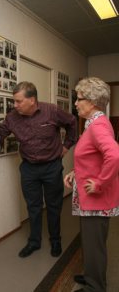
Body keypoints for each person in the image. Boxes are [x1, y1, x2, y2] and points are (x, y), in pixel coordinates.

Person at [0, 81, 77, 258]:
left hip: (52, 166)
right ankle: (34, 242)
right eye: (14, 101)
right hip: (29, 169)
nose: (14, 105)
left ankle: (55, 240)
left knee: (53, 206)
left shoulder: (52, 111)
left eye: (18, 101)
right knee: (33, 207)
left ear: (32, 100)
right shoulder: (12, 117)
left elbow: (72, 122)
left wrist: (67, 146)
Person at [64, 77, 119, 292]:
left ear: (93, 101)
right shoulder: (97, 122)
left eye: (79, 99)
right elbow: (94, 157)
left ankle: (95, 288)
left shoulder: (97, 126)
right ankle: (91, 276)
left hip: (97, 199)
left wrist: (99, 184)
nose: (75, 103)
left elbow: (114, 156)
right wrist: (76, 172)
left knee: (94, 247)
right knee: (91, 244)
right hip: (93, 200)